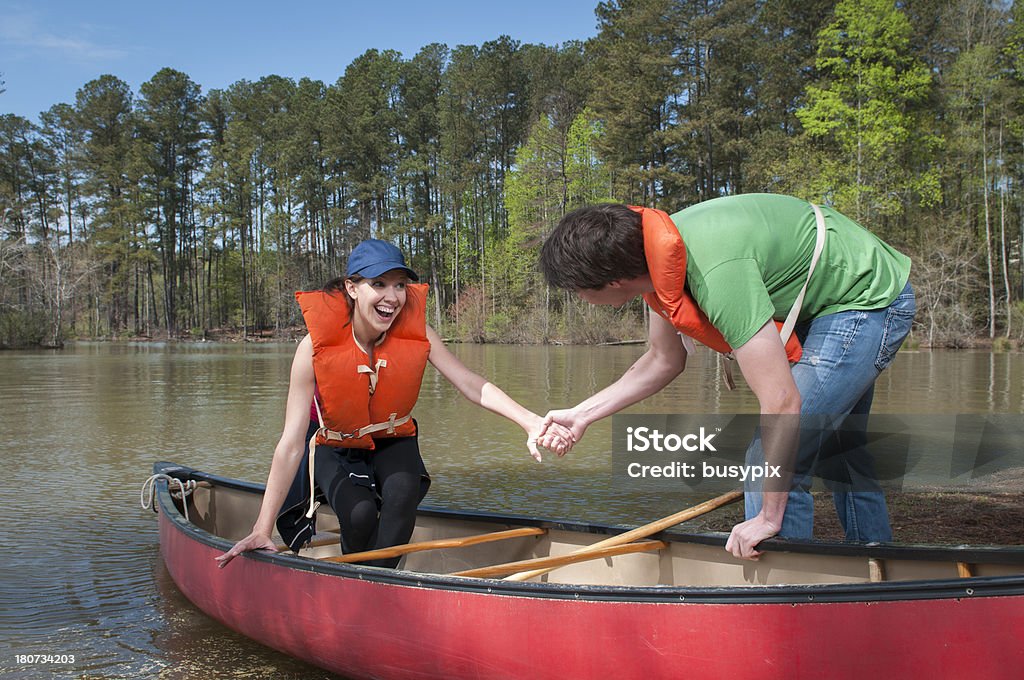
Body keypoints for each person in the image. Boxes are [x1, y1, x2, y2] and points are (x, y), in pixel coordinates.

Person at [537, 194, 915, 560]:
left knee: (770, 456)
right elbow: (662, 360)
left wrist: (767, 517)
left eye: (578, 290)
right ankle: (875, 561)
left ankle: (788, 590)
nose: (580, 299)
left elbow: (782, 402)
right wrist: (583, 414)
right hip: (833, 296)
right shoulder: (659, 263)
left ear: (613, 281)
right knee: (839, 448)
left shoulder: (716, 274)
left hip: (865, 297)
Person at [217, 239, 570, 569]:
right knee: (360, 514)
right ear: (352, 288)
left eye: (400, 285)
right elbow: (291, 444)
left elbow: (469, 383)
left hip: (391, 435)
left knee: (402, 493)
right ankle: (360, 579)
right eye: (379, 284)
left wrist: (530, 421)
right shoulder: (313, 348)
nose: (393, 297)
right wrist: (262, 529)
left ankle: (377, 585)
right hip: (333, 441)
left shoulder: (416, 333)